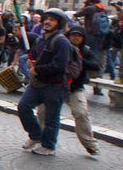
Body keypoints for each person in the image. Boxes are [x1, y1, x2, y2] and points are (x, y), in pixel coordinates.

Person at [38, 26, 100, 156]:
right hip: (56, 86)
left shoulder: (86, 51)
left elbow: (96, 66)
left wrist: (79, 59)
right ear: (69, 35)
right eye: (73, 35)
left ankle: (90, 144)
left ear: (83, 38)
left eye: (79, 35)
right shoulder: (60, 46)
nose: (76, 37)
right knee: (43, 112)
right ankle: (39, 138)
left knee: (81, 113)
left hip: (74, 88)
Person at [17, 8, 70, 156]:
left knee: (51, 118)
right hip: (37, 83)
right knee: (23, 106)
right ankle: (35, 135)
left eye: (52, 20)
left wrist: (38, 69)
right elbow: (34, 54)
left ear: (59, 23)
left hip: (54, 85)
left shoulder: (62, 42)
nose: (47, 21)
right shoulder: (41, 39)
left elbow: (60, 66)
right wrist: (30, 62)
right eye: (46, 19)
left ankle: (49, 145)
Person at [75, 0, 108, 94]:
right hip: (100, 37)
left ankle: (83, 80)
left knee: (84, 57)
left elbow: (77, 14)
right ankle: (97, 88)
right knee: (98, 59)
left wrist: (85, 5)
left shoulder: (90, 8)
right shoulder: (102, 9)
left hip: (89, 36)